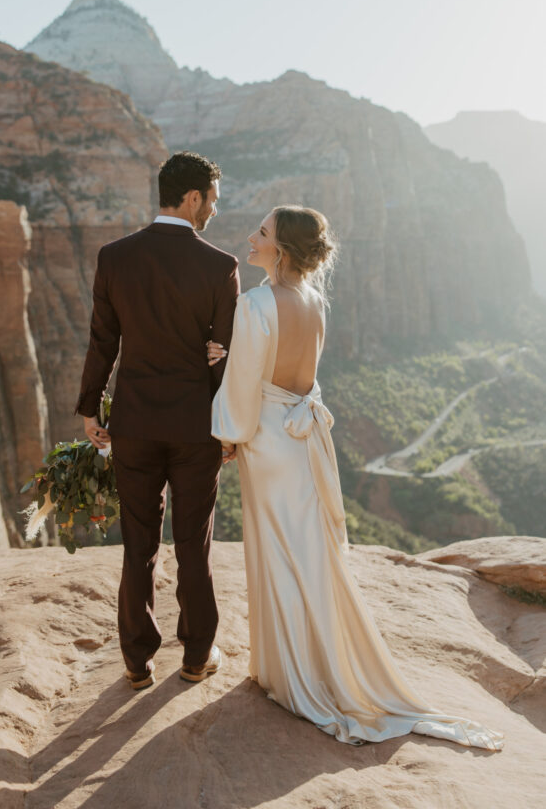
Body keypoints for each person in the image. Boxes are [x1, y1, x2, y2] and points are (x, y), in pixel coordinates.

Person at [209, 205, 504, 750]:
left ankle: (294, 676)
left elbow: (247, 383)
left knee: (279, 554)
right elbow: (294, 371)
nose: (251, 238)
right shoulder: (316, 302)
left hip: (268, 440)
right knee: (309, 551)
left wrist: (227, 435)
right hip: (304, 437)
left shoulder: (253, 304)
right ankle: (316, 665)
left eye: (263, 233)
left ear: (283, 249)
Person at [75, 151, 240, 690]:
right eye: (212, 199)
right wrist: (230, 425)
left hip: (134, 424)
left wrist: (90, 408)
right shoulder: (220, 267)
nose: (214, 209)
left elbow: (104, 339)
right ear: (193, 198)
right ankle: (196, 656)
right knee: (194, 542)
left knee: (139, 542)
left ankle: (137, 661)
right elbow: (227, 355)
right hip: (197, 428)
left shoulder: (114, 257)